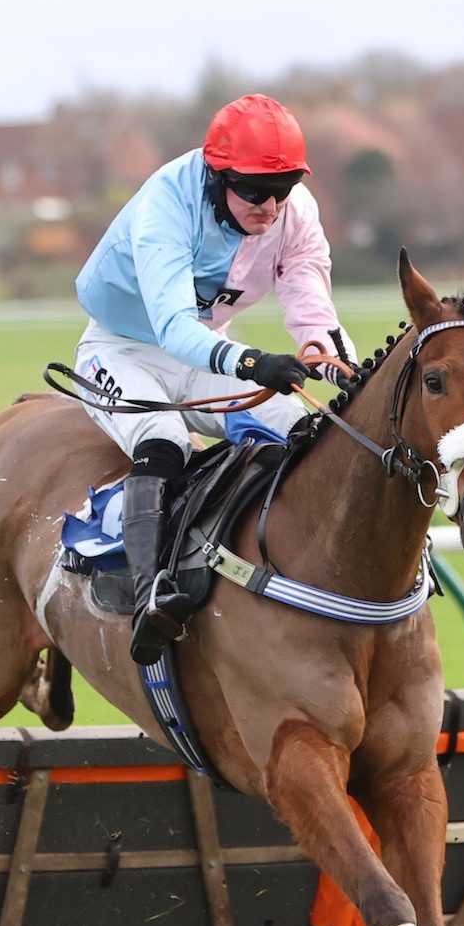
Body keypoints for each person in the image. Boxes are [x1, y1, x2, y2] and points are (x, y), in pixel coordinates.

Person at [72, 93, 354, 665]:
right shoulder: (167, 203)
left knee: (300, 429)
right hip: (123, 351)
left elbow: (310, 304)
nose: (270, 207)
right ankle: (150, 595)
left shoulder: (294, 211)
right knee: (164, 443)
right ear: (218, 175)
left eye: (283, 189)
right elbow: (175, 329)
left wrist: (339, 363)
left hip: (206, 352)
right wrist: (253, 363)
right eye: (254, 191)